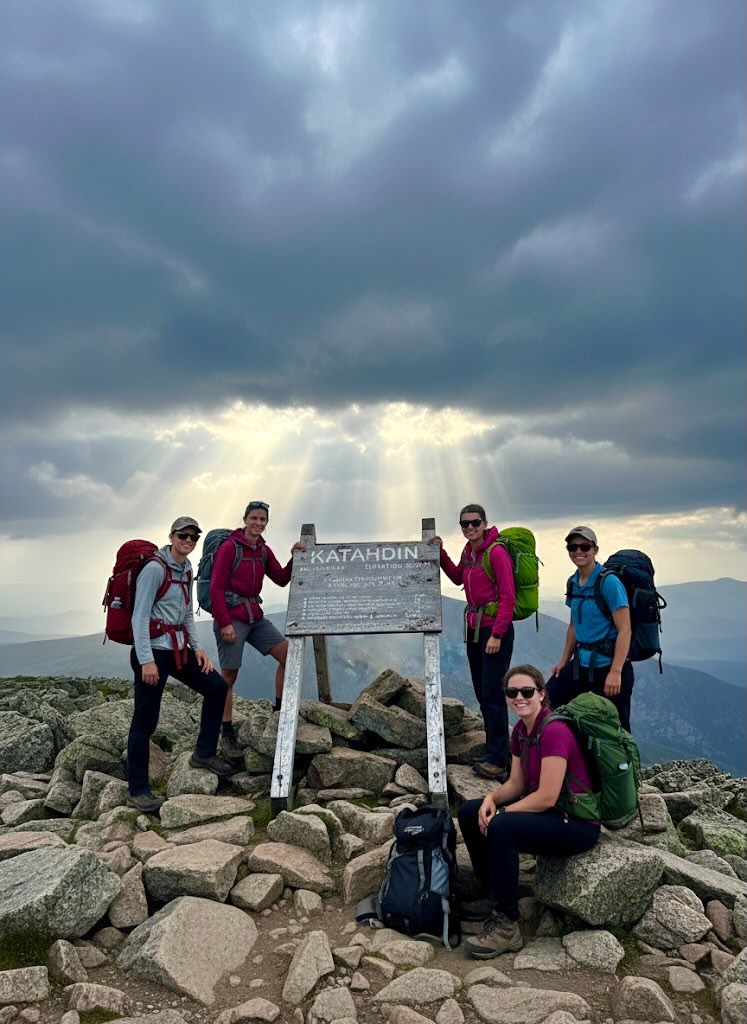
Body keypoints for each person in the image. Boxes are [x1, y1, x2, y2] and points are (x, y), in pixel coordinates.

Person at [457, 664, 601, 959]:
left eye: (526, 691)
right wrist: (491, 799)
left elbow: (547, 797)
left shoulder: (555, 732)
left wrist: (503, 813)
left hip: (577, 823)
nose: (518, 697)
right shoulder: (522, 731)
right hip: (552, 814)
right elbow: (517, 782)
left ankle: (507, 926)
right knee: (471, 812)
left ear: (541, 694)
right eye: (512, 692)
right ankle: (494, 894)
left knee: (501, 827)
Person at [127, 516, 232, 814]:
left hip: (177, 650)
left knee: (216, 687)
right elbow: (140, 617)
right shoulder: (154, 569)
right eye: (183, 535)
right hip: (153, 654)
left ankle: (204, 753)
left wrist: (197, 649)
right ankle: (138, 789)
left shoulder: (186, 569)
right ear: (171, 536)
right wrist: (146, 660)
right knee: (145, 722)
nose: (188, 541)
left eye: (193, 538)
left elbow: (187, 613)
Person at [210, 500, 305, 761]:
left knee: (289, 655)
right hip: (232, 618)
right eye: (254, 518)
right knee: (228, 676)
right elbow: (216, 588)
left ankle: (278, 711)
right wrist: (225, 623)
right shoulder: (230, 548)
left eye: (263, 520)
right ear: (245, 519)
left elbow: (282, 578)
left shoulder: (262, 550)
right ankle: (226, 731)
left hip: (255, 617)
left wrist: (294, 556)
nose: (258, 523)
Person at [430, 504, 516, 781]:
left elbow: (508, 597)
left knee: (492, 695)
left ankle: (499, 759)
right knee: (483, 693)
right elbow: (457, 577)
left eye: (474, 522)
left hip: (493, 633)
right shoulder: (470, 552)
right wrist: (440, 551)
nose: (469, 528)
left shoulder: (497, 552)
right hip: (475, 631)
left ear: (485, 523)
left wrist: (498, 635)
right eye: (464, 524)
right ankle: (495, 751)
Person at [547, 526, 634, 731]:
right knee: (547, 700)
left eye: (585, 546)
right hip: (582, 665)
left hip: (608, 666)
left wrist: (616, 671)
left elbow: (625, 629)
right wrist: (563, 661)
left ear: (595, 549)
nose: (579, 551)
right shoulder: (573, 582)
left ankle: (624, 763)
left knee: (616, 728)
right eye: (573, 546)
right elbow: (574, 626)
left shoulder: (609, 582)